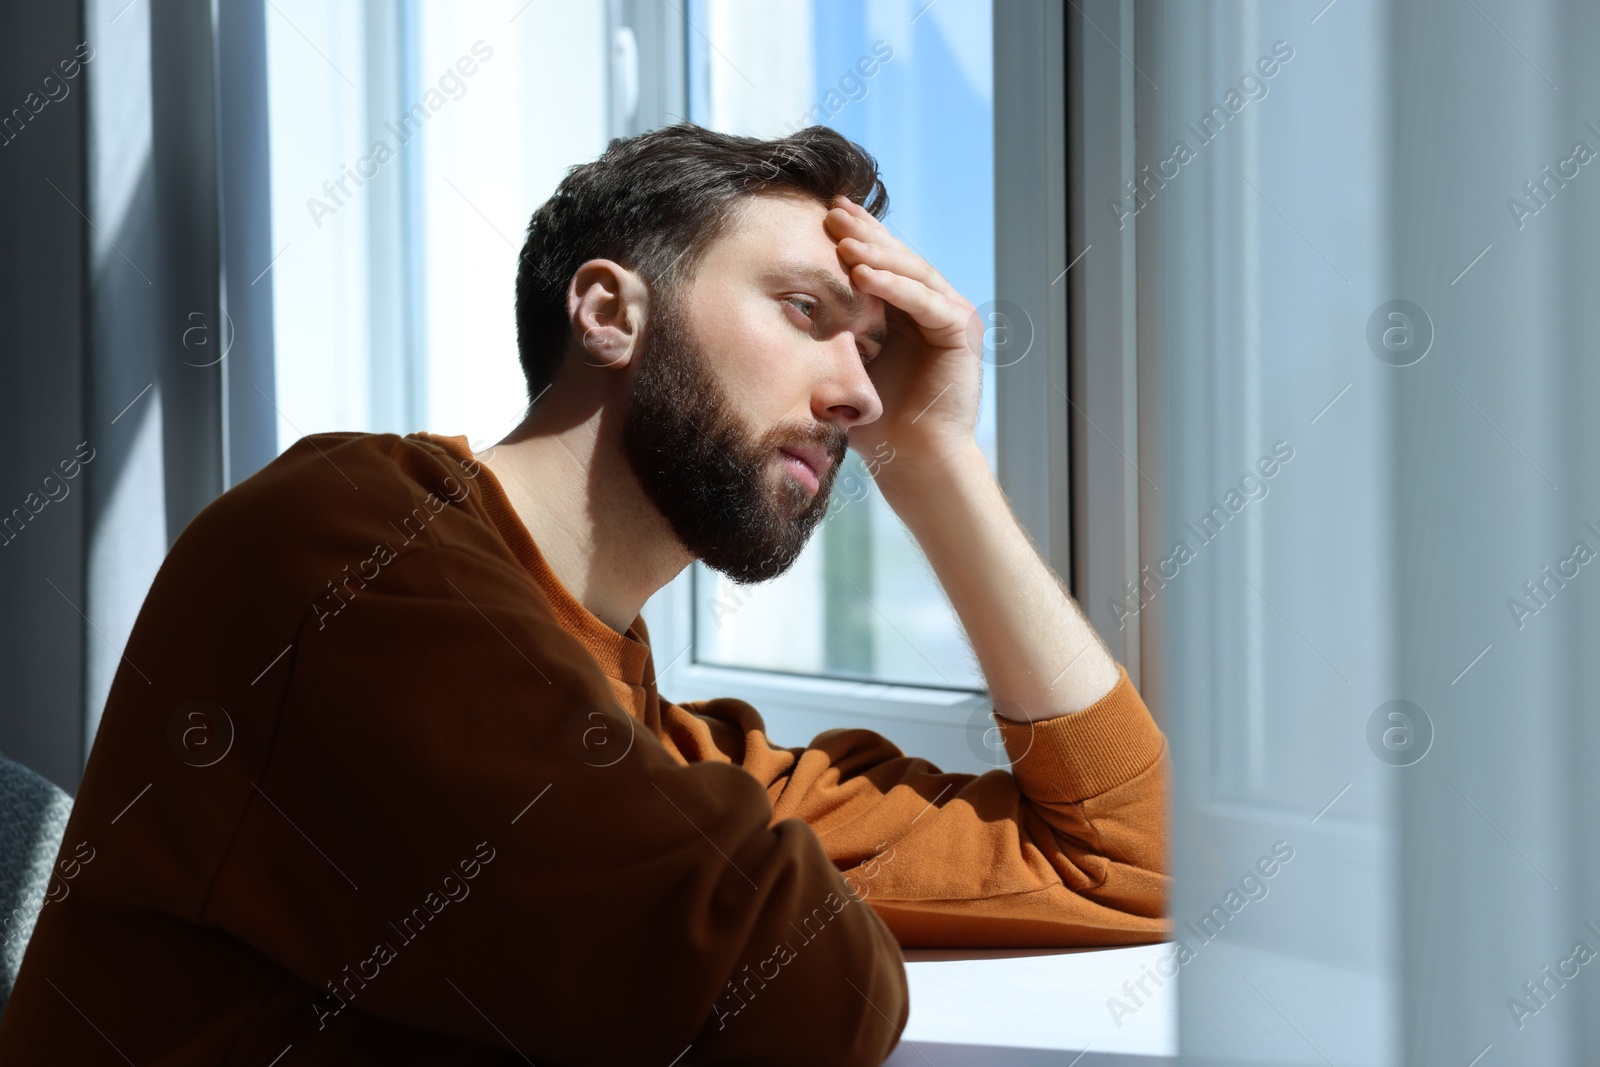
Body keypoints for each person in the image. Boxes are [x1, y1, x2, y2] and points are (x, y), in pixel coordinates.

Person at [0, 122, 1169, 1066]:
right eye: (808, 313)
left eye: (875, 353)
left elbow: (1133, 862)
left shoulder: (649, 731)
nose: (859, 393)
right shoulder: (346, 541)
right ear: (607, 311)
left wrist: (935, 460)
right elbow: (781, 986)